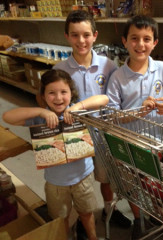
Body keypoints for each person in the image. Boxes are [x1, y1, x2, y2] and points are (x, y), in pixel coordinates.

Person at [106, 15, 163, 240]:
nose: (141, 44)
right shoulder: (117, 77)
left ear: (155, 42)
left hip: (156, 142)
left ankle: (158, 213)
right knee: (132, 185)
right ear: (124, 41)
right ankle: (138, 218)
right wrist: (139, 111)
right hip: (128, 143)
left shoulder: (162, 69)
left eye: (147, 39)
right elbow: (111, 116)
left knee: (156, 182)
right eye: (134, 38)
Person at [3, 69, 109, 240]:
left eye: (63, 92)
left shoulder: (78, 110)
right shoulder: (40, 118)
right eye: (51, 93)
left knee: (87, 212)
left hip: (83, 176)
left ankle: (92, 237)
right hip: (56, 182)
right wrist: (41, 112)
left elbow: (104, 99)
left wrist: (77, 107)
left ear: (71, 93)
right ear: (43, 95)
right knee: (61, 217)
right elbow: (8, 116)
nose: (58, 98)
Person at [53, 9, 131, 237]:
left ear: (95, 36)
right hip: (75, 136)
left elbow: (115, 97)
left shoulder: (108, 66)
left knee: (106, 177)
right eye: (75, 35)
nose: (81, 41)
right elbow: (47, 97)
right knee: (80, 181)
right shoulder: (59, 69)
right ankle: (84, 220)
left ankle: (108, 209)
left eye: (86, 35)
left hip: (103, 132)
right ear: (67, 36)